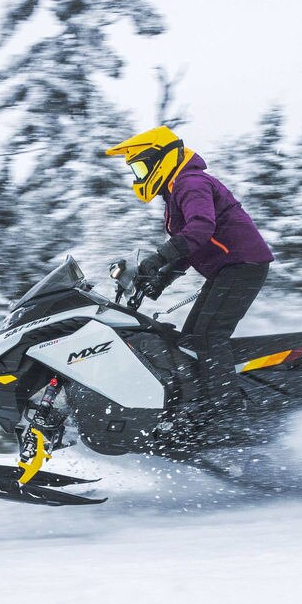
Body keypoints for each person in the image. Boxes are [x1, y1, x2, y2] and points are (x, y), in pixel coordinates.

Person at [105, 126, 274, 413]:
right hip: (230, 270)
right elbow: (189, 245)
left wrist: (158, 258)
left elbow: (201, 227)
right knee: (190, 340)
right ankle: (200, 408)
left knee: (208, 338)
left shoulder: (190, 182)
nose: (140, 177)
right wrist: (160, 279)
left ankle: (228, 414)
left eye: (141, 168)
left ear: (162, 159)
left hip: (242, 266)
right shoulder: (177, 190)